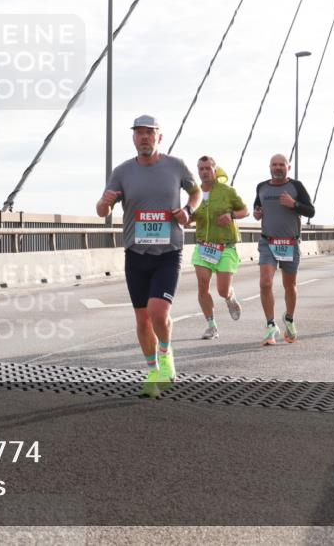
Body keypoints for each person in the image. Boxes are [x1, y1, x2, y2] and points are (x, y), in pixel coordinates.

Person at [97, 115, 201, 395]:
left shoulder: (176, 166)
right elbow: (101, 210)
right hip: (136, 252)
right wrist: (104, 204)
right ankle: (153, 372)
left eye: (149, 133)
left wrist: (188, 211)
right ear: (133, 138)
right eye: (139, 133)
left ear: (159, 137)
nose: (144, 137)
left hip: (168, 251)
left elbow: (196, 192)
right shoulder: (122, 172)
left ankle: (166, 357)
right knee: (142, 319)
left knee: (158, 311)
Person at [252, 154, 315, 345]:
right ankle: (270, 325)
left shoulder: (296, 186)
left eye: (281, 165)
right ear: (269, 167)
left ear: (288, 167)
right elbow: (257, 207)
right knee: (265, 283)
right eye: (274, 165)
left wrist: (294, 204)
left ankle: (289, 318)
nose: (277, 168)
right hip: (267, 242)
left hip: (289, 243)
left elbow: (310, 211)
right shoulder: (262, 186)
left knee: (289, 285)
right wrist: (257, 213)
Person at [189, 156, 248, 340]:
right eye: (201, 169)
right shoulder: (195, 193)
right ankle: (211, 325)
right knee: (202, 285)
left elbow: (244, 211)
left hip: (225, 246)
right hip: (203, 246)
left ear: (215, 170)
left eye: (208, 168)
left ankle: (230, 297)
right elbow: (190, 215)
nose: (204, 172)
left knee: (222, 290)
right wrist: (184, 218)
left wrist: (231, 215)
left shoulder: (227, 191)